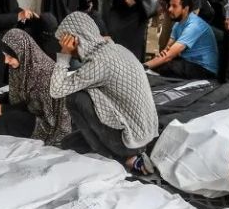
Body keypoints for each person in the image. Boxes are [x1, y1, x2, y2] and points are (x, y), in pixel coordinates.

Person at [50, 12, 158, 174]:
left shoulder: (99, 63)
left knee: (74, 97)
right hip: (144, 136)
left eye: (66, 43)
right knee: (69, 143)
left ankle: (113, 159)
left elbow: (56, 90)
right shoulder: (116, 49)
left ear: (76, 40)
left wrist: (64, 56)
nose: (67, 48)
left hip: (129, 141)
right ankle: (129, 156)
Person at [0, 29, 71, 145]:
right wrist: (0, 102)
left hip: (46, 121)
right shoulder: (21, 64)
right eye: (5, 56)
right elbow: (18, 94)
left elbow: (36, 107)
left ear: (21, 53)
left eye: (10, 56)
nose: (6, 61)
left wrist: (4, 109)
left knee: (5, 123)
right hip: (24, 107)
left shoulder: (45, 73)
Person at [144, 0, 218, 80]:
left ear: (185, 9)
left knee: (165, 67)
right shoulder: (177, 24)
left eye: (174, 6)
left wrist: (143, 67)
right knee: (159, 65)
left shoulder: (194, 26)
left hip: (204, 69)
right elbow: (166, 51)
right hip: (188, 62)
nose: (169, 9)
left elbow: (168, 56)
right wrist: (162, 54)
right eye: (170, 5)